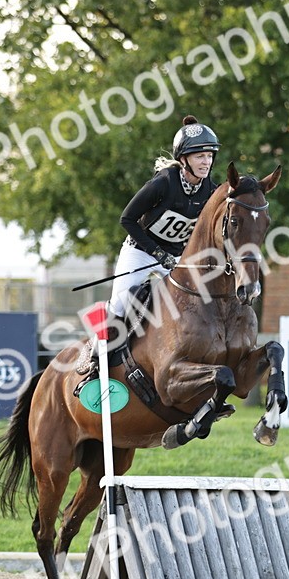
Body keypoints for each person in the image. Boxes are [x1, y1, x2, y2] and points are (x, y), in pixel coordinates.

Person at [75, 114, 221, 387]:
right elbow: (127, 219)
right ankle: (95, 363)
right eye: (199, 156)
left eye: (209, 156)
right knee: (119, 303)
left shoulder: (210, 191)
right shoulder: (163, 183)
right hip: (140, 250)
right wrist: (155, 252)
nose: (206, 162)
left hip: (176, 257)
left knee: (201, 300)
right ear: (184, 159)